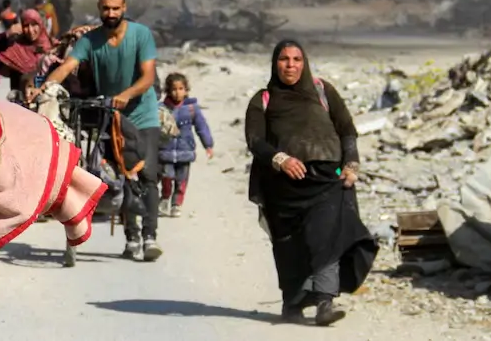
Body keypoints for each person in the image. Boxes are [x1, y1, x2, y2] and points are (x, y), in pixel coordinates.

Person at [245, 39, 377, 326]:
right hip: (283, 186)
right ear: (274, 63)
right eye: (284, 59)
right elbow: (255, 140)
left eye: (296, 59)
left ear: (304, 63)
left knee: (325, 238)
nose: (290, 65)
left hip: (326, 180)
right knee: (289, 245)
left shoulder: (322, 90)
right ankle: (292, 303)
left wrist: (352, 165)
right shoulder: (263, 99)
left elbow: (347, 130)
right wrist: (281, 159)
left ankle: (324, 303)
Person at [40, 0, 162, 262]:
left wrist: (125, 95)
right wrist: (45, 88)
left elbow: (147, 77)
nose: (111, 13)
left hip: (142, 114)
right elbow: (67, 66)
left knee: (148, 173)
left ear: (124, 8)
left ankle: (150, 236)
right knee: (122, 175)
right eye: (106, 8)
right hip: (110, 116)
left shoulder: (141, 35)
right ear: (99, 9)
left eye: (116, 8)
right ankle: (132, 237)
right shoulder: (90, 40)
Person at [159, 72, 214, 218]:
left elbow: (201, 126)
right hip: (166, 151)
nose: (177, 92)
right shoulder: (161, 108)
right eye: (174, 89)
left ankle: (177, 204)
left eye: (181, 88)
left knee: (181, 180)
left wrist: (208, 145)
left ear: (186, 90)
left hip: (185, 151)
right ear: (168, 91)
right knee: (167, 176)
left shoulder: (191, 108)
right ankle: (164, 198)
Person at [0, 9, 53, 93]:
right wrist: (6, 34)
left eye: (34, 25)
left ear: (41, 25)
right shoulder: (15, 49)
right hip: (19, 102)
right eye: (26, 26)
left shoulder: (52, 46)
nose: (30, 30)